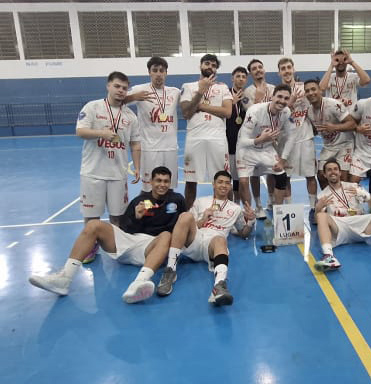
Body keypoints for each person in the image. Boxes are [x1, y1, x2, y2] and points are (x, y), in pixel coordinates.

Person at [29, 166, 187, 303]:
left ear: (170, 183)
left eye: (166, 181)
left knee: (166, 235)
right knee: (93, 225)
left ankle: (139, 283)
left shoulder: (177, 200)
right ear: (151, 182)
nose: (162, 184)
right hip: (130, 241)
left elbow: (182, 227)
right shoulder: (140, 201)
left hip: (154, 247)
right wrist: (137, 218)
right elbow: (125, 228)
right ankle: (65, 278)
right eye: (158, 180)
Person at [155, 171, 256, 305]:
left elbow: (244, 233)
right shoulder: (201, 201)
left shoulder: (236, 208)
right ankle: (170, 270)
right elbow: (185, 226)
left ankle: (219, 286)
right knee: (185, 216)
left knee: (221, 239)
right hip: (195, 238)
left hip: (213, 245)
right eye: (220, 182)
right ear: (213, 184)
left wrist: (251, 221)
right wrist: (203, 219)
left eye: (227, 183)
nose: (223, 185)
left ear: (230, 186)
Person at [76, 71, 141, 265]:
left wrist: (137, 167)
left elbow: (135, 144)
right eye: (117, 86)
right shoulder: (93, 107)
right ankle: (90, 247)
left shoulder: (130, 116)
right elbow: (80, 131)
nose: (121, 91)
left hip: (118, 174)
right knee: (91, 216)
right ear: (108, 86)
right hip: (93, 173)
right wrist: (101, 133)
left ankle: (117, 247)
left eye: (124, 88)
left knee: (118, 216)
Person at [181, 54, 233, 208]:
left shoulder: (223, 87)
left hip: (217, 139)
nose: (210, 67)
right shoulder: (188, 86)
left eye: (214, 65)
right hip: (194, 138)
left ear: (216, 69)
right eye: (207, 63)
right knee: (191, 181)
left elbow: (227, 112)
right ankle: (189, 214)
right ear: (200, 65)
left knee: (223, 180)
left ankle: (227, 213)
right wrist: (200, 92)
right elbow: (186, 113)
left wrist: (200, 106)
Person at [125, 57, 182, 191]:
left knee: (169, 186)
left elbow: (190, 105)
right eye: (155, 70)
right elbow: (116, 100)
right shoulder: (139, 90)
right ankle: (148, 205)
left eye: (161, 71)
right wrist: (133, 97)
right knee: (149, 188)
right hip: (149, 148)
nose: (158, 74)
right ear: (149, 72)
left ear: (166, 73)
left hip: (170, 147)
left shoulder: (175, 92)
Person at [236, 84, 296, 208]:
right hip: (247, 149)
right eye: (279, 96)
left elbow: (291, 137)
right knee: (243, 181)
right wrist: (261, 139)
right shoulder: (254, 111)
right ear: (272, 97)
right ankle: (251, 212)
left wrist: (282, 160)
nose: (282, 101)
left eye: (286, 98)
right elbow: (242, 141)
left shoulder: (286, 112)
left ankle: (278, 211)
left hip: (266, 148)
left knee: (281, 176)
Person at [278, 57, 318, 222]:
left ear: (293, 69)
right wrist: (290, 103)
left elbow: (316, 101)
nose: (287, 71)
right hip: (286, 141)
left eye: (289, 67)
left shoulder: (305, 88)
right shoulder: (279, 92)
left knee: (310, 175)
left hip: (305, 138)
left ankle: (313, 208)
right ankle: (289, 210)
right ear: (279, 72)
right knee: (286, 177)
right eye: (283, 68)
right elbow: (277, 114)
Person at [304, 79, 356, 188]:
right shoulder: (309, 111)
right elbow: (315, 130)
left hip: (345, 144)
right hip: (328, 146)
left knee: (342, 177)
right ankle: (329, 198)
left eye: (313, 89)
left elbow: (352, 124)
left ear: (320, 90)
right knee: (321, 176)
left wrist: (335, 127)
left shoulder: (334, 104)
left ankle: (343, 199)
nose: (310, 93)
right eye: (307, 91)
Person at [243, 59, 276, 217]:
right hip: (256, 137)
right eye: (254, 68)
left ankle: (271, 200)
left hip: (272, 136)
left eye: (260, 67)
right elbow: (250, 114)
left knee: (272, 171)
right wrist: (258, 99)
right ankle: (258, 205)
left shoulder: (274, 89)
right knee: (255, 174)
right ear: (250, 73)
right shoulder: (247, 92)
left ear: (264, 69)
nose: (258, 70)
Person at [225, 66, 248, 204]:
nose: (241, 79)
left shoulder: (248, 96)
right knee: (227, 177)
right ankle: (228, 205)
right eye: (238, 76)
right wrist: (231, 103)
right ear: (232, 78)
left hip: (243, 144)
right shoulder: (225, 94)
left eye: (243, 77)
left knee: (239, 178)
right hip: (227, 142)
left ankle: (237, 205)